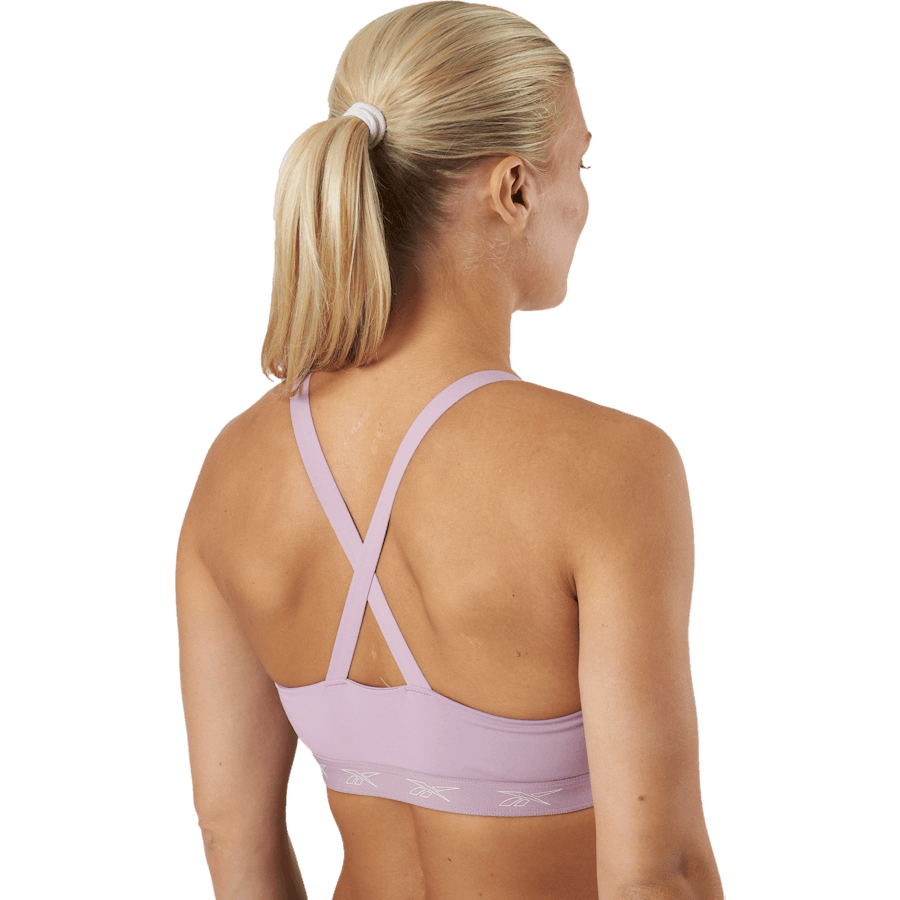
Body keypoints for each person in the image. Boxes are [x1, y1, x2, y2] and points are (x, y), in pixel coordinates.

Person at [175, 3, 726, 899]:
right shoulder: (612, 467)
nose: (585, 198)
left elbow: (231, 838)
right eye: (579, 163)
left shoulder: (235, 465)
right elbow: (658, 876)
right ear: (514, 189)